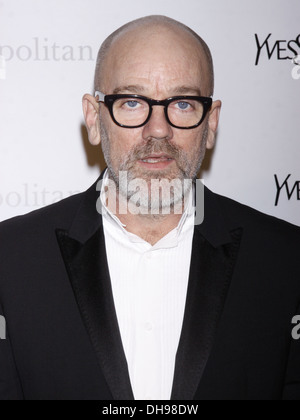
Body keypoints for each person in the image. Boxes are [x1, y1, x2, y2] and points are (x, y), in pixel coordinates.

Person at [0, 15, 300, 401]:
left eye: (183, 104)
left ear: (210, 123)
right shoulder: (11, 260)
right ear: (94, 119)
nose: (158, 130)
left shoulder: (286, 260)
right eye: (131, 102)